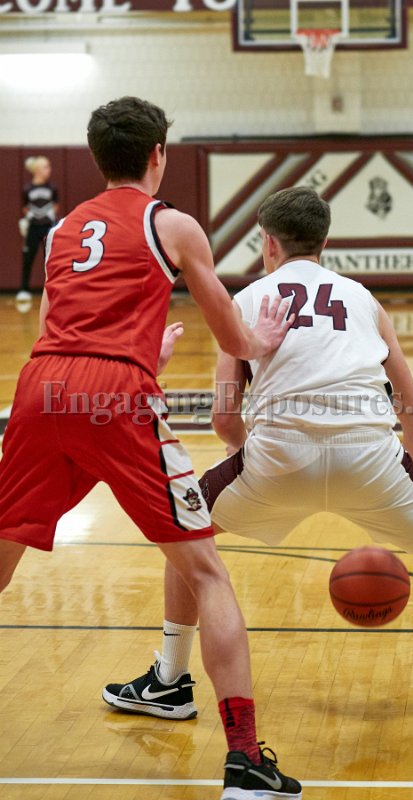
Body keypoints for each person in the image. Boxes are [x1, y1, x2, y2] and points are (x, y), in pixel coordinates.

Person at [104, 187, 413, 731]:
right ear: (325, 243)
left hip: (276, 459)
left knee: (188, 533)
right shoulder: (364, 300)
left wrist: (247, 456)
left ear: (268, 243)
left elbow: (224, 418)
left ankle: (169, 679)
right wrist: (404, 498)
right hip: (372, 461)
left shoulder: (245, 301)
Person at [0, 97, 302, 800]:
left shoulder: (63, 228)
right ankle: (244, 761)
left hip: (42, 386)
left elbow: (54, 324)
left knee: (2, 549)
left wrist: (139, 355)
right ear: (158, 154)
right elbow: (228, 328)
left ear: (96, 155)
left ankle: (175, 694)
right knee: (206, 573)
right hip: (116, 395)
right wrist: (259, 341)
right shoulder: (171, 223)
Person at [17, 155, 59, 303]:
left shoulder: (52, 188)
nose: (49, 170)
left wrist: (49, 214)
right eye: (46, 167)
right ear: (37, 170)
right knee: (28, 258)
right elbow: (24, 207)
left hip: (47, 228)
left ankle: (51, 289)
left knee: (49, 260)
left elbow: (56, 205)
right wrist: (29, 217)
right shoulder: (27, 189)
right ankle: (24, 289)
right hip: (33, 228)